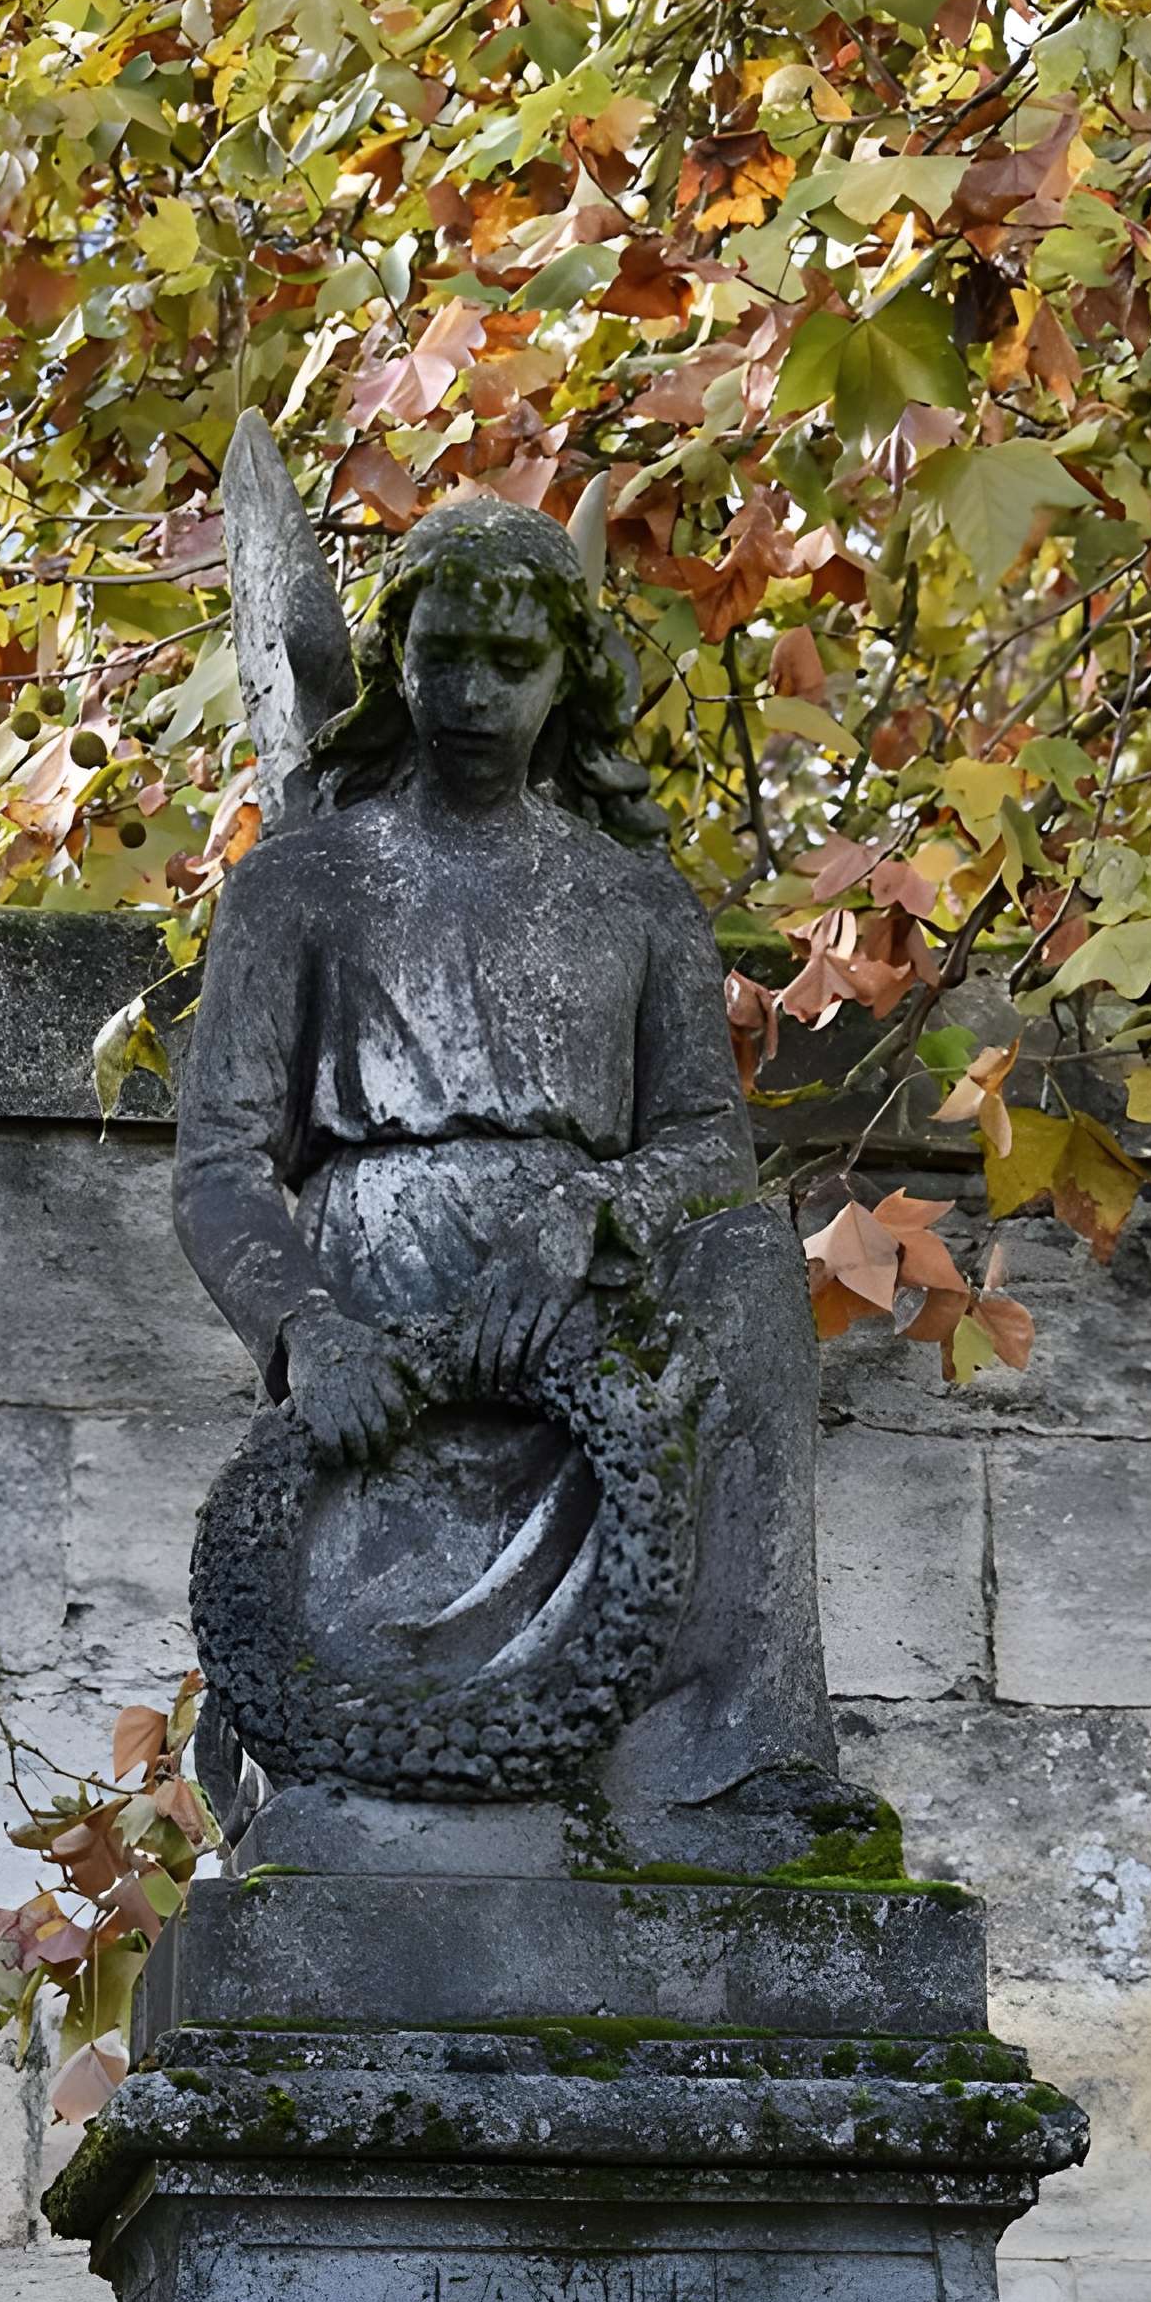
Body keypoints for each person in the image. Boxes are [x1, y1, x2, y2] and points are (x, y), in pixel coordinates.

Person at [174, 494, 834, 1806]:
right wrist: (309, 1333)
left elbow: (708, 1141)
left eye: (512, 662)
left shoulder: (636, 898)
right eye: (444, 657)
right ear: (397, 662)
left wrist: (594, 1215)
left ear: (567, 674)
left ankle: (740, 1751)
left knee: (753, 1264)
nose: (474, 696)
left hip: (581, 1302)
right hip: (382, 1302)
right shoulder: (298, 882)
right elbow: (218, 1170)